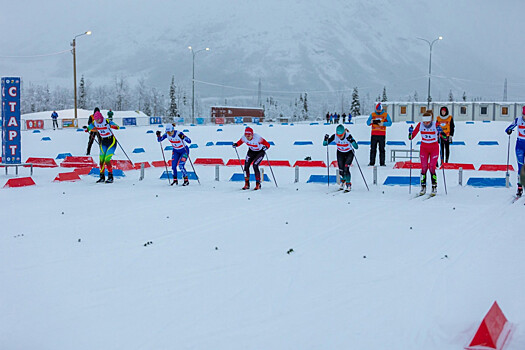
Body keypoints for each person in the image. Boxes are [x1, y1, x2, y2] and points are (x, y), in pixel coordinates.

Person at [409, 110, 442, 196]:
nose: (426, 124)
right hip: (424, 148)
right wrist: (410, 132)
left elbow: (444, 137)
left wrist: (441, 131)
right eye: (424, 122)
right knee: (423, 167)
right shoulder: (420, 125)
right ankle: (423, 187)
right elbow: (411, 137)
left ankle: (434, 187)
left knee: (432, 167)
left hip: (434, 148)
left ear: (431, 120)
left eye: (428, 122)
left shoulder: (436, 124)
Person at [85, 107, 120, 183]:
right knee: (101, 160)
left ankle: (110, 177)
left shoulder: (106, 121)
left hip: (112, 142)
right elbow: (89, 127)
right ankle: (102, 177)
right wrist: (87, 129)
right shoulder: (95, 122)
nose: (97, 121)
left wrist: (111, 126)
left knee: (107, 159)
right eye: (96, 119)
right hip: (103, 142)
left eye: (98, 119)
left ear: (101, 118)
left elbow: (117, 127)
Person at [323, 124, 359, 192]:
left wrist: (352, 141)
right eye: (338, 135)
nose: (339, 137)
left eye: (341, 135)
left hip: (349, 153)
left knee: (346, 168)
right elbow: (325, 144)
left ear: (344, 133)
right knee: (341, 170)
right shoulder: (335, 136)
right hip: (340, 153)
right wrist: (325, 139)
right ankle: (343, 182)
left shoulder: (348, 136)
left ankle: (348, 184)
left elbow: (356, 147)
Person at [505, 106, 525, 197]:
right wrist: (509, 130)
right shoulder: (518, 120)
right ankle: (519, 188)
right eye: (524, 115)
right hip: (520, 146)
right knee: (520, 167)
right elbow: (509, 128)